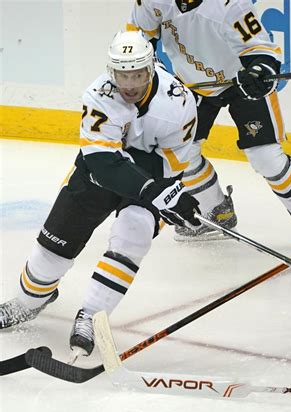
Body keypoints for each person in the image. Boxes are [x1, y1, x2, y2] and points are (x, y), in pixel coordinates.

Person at [0, 31, 201, 357]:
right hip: (101, 172)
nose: (130, 85)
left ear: (151, 68)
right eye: (123, 75)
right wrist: (149, 188)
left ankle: (91, 316)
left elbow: (173, 164)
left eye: (137, 75)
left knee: (133, 233)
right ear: (111, 72)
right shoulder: (98, 95)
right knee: (51, 252)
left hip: (154, 172)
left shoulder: (179, 102)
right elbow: (102, 163)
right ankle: (27, 302)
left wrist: (170, 197)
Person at [125, 0, 291, 243]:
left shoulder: (231, 5)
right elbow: (136, 39)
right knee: (179, 153)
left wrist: (260, 71)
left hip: (242, 84)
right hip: (191, 85)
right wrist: (154, 71)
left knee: (266, 156)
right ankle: (217, 211)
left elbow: (261, 51)